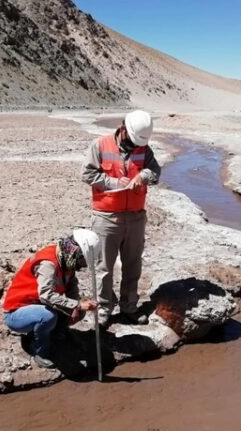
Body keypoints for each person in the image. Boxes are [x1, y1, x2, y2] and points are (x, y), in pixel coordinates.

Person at [81, 110, 161, 326]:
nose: (135, 146)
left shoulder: (144, 149)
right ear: (123, 128)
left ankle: (129, 306)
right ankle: (104, 310)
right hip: (106, 217)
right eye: (132, 140)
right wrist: (112, 183)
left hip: (135, 217)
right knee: (103, 267)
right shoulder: (100, 145)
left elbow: (155, 171)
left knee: (132, 264)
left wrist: (143, 176)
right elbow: (87, 174)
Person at [2, 230, 99, 368]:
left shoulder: (66, 259)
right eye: (82, 260)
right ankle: (38, 350)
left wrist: (76, 306)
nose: (82, 265)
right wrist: (76, 305)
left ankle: (54, 334)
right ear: (76, 252)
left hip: (39, 305)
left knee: (77, 310)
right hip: (17, 313)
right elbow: (46, 295)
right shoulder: (49, 263)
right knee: (47, 316)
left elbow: (71, 287)